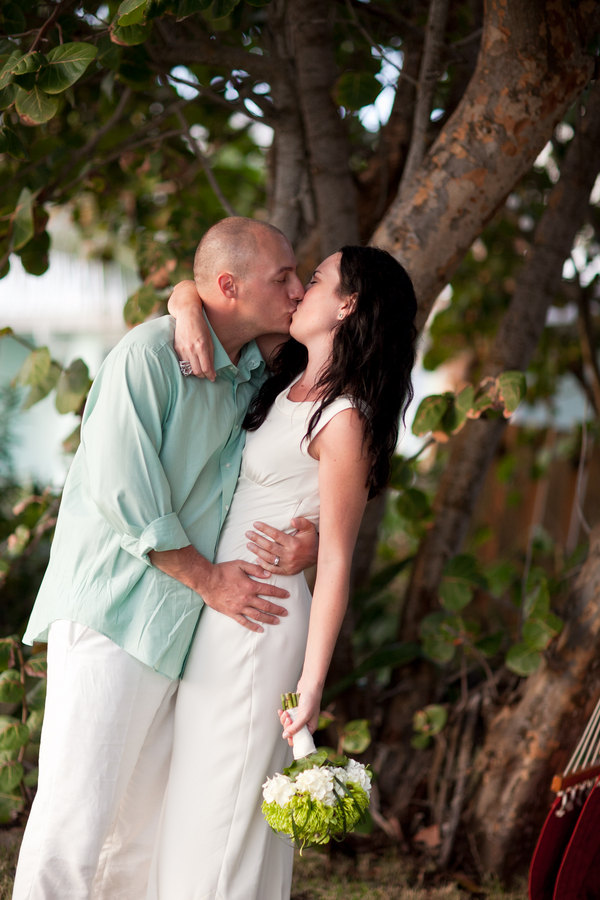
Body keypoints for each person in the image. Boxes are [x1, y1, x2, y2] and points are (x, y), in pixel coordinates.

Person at [12, 217, 321, 900]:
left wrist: (317, 541)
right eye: (285, 278)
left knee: (138, 836)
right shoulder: (149, 355)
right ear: (231, 286)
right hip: (116, 616)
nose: (298, 290)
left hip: (180, 629)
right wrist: (210, 579)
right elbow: (127, 491)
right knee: (74, 825)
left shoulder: (254, 371)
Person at [147, 244, 417, 899]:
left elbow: (338, 559)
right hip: (222, 609)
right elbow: (205, 296)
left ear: (347, 305)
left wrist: (312, 682)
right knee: (196, 790)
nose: (299, 291)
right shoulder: (281, 373)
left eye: (316, 280)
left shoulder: (343, 418)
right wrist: (185, 298)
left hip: (262, 622)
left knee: (225, 805)